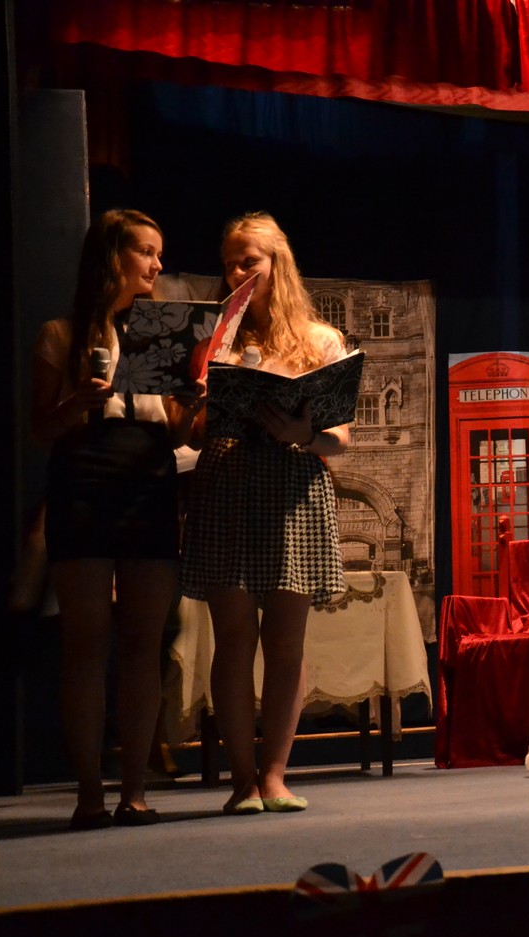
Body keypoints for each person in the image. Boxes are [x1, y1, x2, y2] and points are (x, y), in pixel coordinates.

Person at [30, 208, 205, 828]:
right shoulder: (62, 334)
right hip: (83, 483)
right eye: (147, 252)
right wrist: (75, 401)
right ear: (113, 257)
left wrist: (193, 404)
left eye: (159, 253)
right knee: (84, 645)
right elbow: (39, 430)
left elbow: (180, 433)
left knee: (143, 643)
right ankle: (87, 794)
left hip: (150, 484)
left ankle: (134, 791)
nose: (157, 264)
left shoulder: (162, 332)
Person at [181, 212, 350, 814]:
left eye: (249, 261)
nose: (237, 272)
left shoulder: (319, 340)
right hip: (227, 480)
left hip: (292, 486)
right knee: (232, 640)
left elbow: (340, 438)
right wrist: (198, 404)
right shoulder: (213, 338)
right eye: (229, 262)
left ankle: (275, 775)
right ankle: (242, 780)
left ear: (278, 264)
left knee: (286, 642)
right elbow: (193, 436)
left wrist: (304, 433)